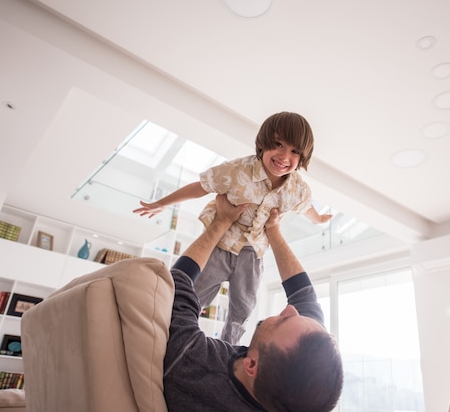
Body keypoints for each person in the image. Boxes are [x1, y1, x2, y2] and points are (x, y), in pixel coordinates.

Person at [134, 111, 332, 344]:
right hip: (221, 243)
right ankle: (171, 335)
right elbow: (201, 187)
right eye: (278, 144)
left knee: (243, 309)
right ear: (262, 143)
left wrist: (318, 219)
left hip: (253, 252)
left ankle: (227, 347)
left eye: (294, 151)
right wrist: (161, 203)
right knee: (193, 294)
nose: (284, 156)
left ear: (303, 156)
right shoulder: (237, 171)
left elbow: (305, 206)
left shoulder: (297, 190)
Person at [163, 194, 343, 411]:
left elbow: (177, 284)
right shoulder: (297, 374)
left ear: (251, 365)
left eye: (282, 321)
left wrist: (222, 221)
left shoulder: (194, 364)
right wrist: (274, 231)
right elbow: (304, 296)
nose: (290, 309)